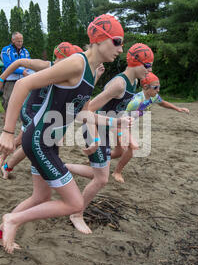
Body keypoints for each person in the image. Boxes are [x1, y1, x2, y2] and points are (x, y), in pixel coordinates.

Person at [0, 14, 133, 254]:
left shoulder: (90, 72)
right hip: (38, 141)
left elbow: (83, 113)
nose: (120, 48)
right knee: (74, 203)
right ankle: (12, 220)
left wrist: (114, 123)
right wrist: (7, 131)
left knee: (41, 196)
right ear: (99, 39)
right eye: (117, 41)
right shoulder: (77, 63)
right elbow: (24, 84)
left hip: (47, 142)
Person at [64, 43, 154, 234]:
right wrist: (96, 140)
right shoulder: (120, 84)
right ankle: (76, 214)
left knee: (98, 175)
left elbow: (115, 111)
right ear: (135, 62)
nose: (150, 71)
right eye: (147, 66)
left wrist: (121, 123)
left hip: (105, 129)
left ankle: (64, 168)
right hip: (94, 128)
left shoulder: (134, 83)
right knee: (101, 179)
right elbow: (88, 110)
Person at [0, 43, 95, 180]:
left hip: (46, 113)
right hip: (31, 110)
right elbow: (19, 62)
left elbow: (76, 101)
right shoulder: (47, 66)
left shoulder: (72, 74)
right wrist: (1, 78)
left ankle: (7, 162)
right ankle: (6, 163)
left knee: (27, 140)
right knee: (35, 141)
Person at [111, 72, 190, 183]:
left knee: (118, 152)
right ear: (145, 87)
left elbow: (162, 102)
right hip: (117, 123)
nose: (158, 90)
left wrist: (177, 108)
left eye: (159, 87)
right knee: (132, 146)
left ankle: (97, 161)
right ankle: (117, 172)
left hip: (125, 125)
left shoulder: (153, 97)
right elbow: (119, 114)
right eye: (155, 87)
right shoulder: (136, 101)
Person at [0, 32, 31, 120]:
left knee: (25, 104)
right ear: (13, 40)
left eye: (21, 41)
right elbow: (8, 65)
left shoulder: (25, 51)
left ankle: (23, 128)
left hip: (23, 81)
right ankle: (6, 129)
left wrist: (26, 71)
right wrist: (22, 71)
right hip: (10, 81)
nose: (20, 43)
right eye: (18, 41)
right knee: (8, 103)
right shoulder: (6, 50)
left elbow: (29, 63)